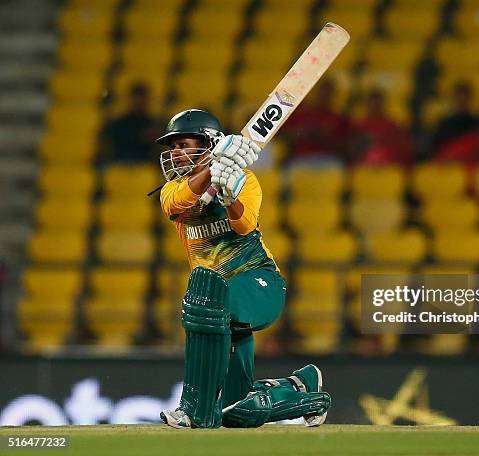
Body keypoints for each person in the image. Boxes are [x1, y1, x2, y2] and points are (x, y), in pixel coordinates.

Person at [156, 109, 331, 429]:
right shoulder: (171, 190)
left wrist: (230, 195)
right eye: (173, 147)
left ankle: (193, 408)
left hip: (258, 283)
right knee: (237, 410)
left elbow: (244, 224)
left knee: (207, 302)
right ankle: (303, 389)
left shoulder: (245, 181)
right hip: (221, 303)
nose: (176, 153)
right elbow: (180, 200)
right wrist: (212, 169)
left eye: (184, 144)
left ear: (208, 143)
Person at [282, 78, 355, 165]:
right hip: (301, 158)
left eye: (328, 92)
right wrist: (304, 133)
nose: (324, 95)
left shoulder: (338, 117)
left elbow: (346, 144)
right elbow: (285, 134)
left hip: (329, 159)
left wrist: (323, 137)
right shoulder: (303, 114)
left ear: (333, 94)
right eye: (322, 91)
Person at [428, 81, 479, 166]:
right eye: (459, 100)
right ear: (453, 99)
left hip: (470, 166)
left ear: (470, 100)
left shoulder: (478, 122)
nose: (461, 103)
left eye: (464, 100)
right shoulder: (444, 123)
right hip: (448, 167)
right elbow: (437, 149)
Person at [98, 82, 160, 163]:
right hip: (120, 163)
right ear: (130, 99)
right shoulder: (118, 123)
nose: (138, 102)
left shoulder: (153, 123)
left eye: (141, 99)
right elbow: (106, 140)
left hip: (144, 164)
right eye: (136, 98)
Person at [356, 88, 413, 168]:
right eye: (372, 103)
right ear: (367, 105)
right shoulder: (360, 125)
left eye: (377, 103)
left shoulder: (390, 124)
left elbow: (401, 145)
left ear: (382, 104)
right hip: (365, 164)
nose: (374, 106)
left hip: (387, 162)